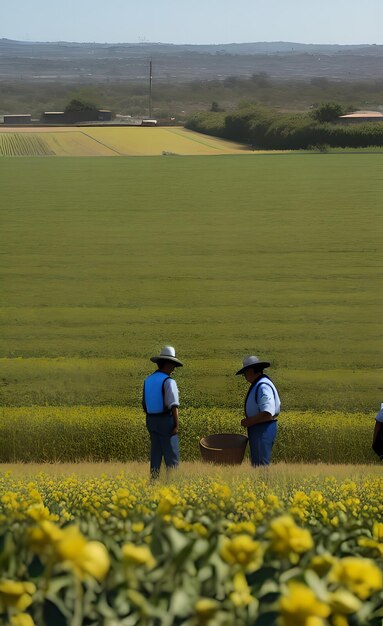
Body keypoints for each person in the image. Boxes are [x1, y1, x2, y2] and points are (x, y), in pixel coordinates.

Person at [143, 346, 183, 478]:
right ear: (168, 364)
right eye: (173, 365)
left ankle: (154, 481)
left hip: (151, 420)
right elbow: (173, 405)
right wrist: (176, 424)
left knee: (155, 453)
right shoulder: (169, 381)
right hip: (165, 420)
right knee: (171, 455)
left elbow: (144, 403)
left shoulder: (147, 380)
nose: (174, 368)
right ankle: (173, 482)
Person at [236, 355, 281, 466]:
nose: (245, 377)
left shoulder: (262, 386)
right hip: (259, 429)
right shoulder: (259, 384)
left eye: (245, 373)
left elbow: (267, 414)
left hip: (262, 429)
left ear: (251, 371)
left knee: (261, 464)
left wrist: (248, 422)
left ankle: (263, 483)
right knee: (258, 464)